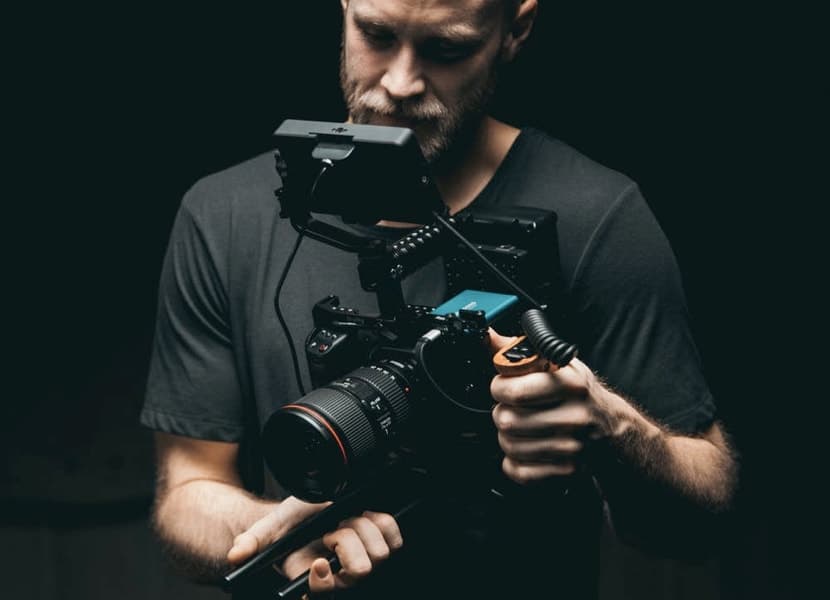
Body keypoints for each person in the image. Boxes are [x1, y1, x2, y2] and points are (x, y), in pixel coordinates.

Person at [140, 0, 738, 598]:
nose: (399, 84)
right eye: (375, 33)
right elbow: (188, 489)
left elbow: (702, 515)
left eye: (446, 49)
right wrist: (275, 533)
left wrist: (610, 425)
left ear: (516, 29)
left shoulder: (597, 213)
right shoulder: (223, 215)